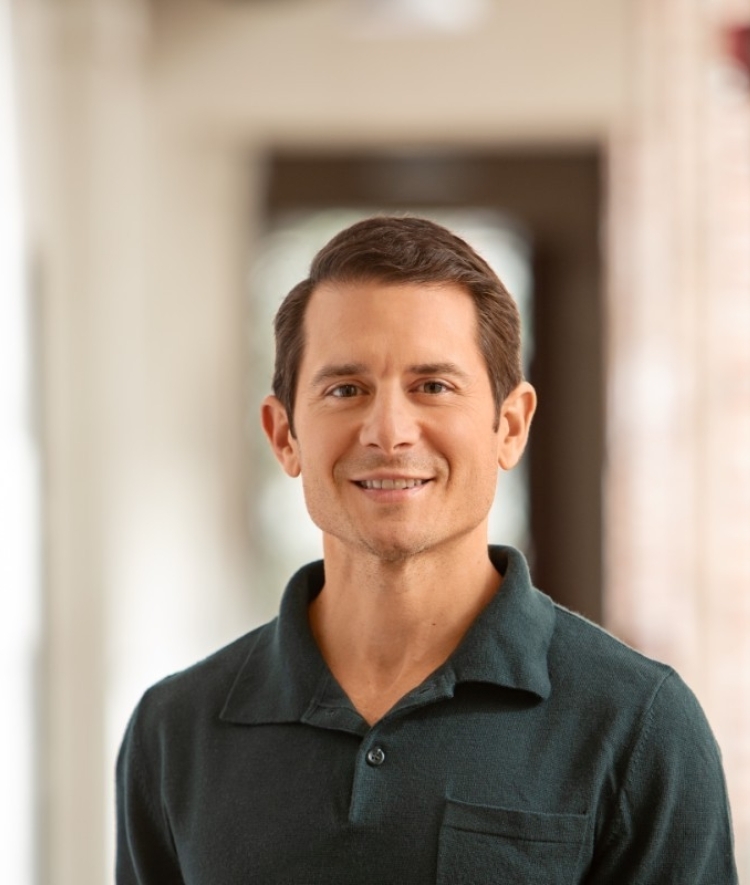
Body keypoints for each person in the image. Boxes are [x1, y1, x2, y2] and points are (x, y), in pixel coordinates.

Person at [116, 216, 738, 884]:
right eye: (345, 389)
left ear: (510, 424)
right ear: (284, 433)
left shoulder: (639, 726)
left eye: (433, 386)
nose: (388, 431)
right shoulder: (173, 731)